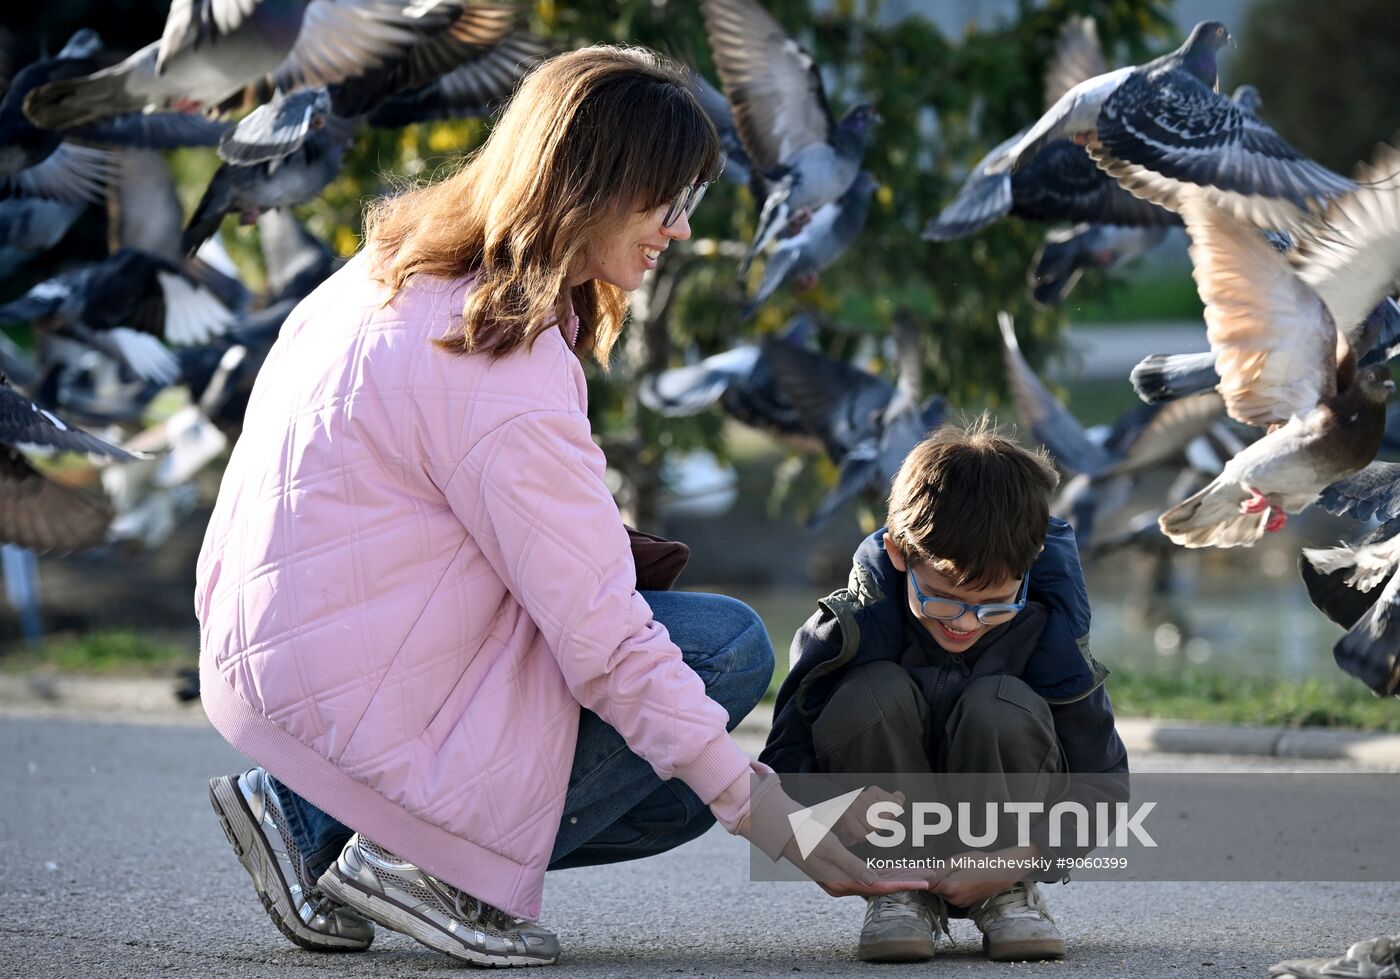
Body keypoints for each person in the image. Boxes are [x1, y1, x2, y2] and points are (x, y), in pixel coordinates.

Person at [194, 45, 922, 969]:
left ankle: (304, 818)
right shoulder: (498, 355)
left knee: (672, 784)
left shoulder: (391, 268)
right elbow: (605, 640)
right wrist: (775, 819)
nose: (681, 229)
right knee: (721, 652)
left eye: (691, 200)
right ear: (593, 185)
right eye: (666, 201)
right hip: (347, 675)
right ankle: (425, 869)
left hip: (272, 658)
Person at [761, 416, 1129, 964]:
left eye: (995, 605)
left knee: (1000, 704)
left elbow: (1105, 788)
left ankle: (1009, 894)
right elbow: (780, 767)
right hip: (890, 849)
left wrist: (1025, 854)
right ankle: (901, 894)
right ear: (899, 553)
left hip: (1005, 848)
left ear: (1028, 566)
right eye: (941, 599)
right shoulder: (844, 631)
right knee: (871, 692)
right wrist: (829, 805)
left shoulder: (1051, 634)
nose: (965, 622)